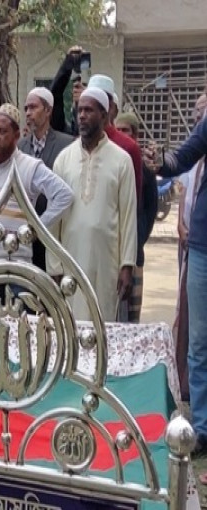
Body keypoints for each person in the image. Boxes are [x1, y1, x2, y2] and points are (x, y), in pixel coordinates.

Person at [0, 104, 73, 299]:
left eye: (2, 131)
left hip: (17, 268)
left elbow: (64, 195)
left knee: (17, 327)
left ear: (16, 136)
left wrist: (37, 229)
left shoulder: (30, 166)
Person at [48, 89, 136, 322]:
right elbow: (53, 217)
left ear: (104, 115)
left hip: (106, 262)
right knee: (70, 327)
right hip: (70, 260)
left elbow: (128, 216)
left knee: (102, 325)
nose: (82, 116)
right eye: (80, 110)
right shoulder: (63, 159)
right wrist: (54, 266)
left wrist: (127, 265)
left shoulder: (121, 160)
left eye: (89, 110)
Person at [147, 92, 207, 425]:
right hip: (202, 246)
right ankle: (202, 426)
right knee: (198, 342)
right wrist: (159, 162)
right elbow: (181, 160)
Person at [18, 87, 75, 271]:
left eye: (33, 107)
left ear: (48, 110)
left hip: (54, 235)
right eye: (26, 108)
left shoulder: (66, 145)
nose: (28, 113)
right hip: (25, 237)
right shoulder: (20, 147)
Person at [114, 111, 158, 324]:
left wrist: (138, 238)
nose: (122, 135)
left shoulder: (145, 172)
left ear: (135, 135)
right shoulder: (112, 165)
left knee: (131, 319)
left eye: (126, 131)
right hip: (111, 254)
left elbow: (150, 211)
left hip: (135, 255)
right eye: (118, 130)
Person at [50, 46, 88, 137]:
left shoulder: (98, 135)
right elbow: (55, 96)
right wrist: (68, 64)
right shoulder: (64, 134)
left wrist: (84, 101)